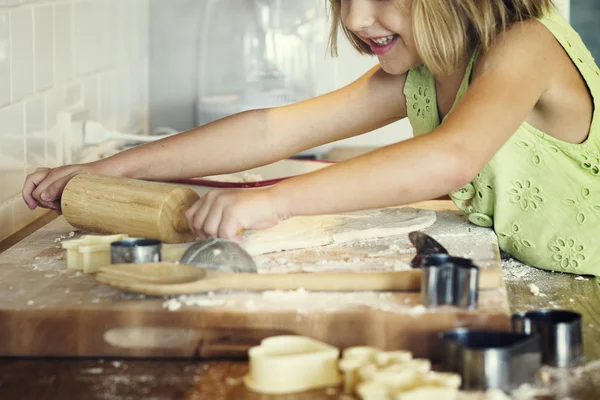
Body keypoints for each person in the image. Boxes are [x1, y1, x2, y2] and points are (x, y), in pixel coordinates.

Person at [22, 0, 600, 276]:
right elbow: (276, 128)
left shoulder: (524, 45)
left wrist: (272, 201)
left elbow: (449, 159)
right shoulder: (427, 68)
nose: (352, 17)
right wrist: (114, 170)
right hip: (544, 275)